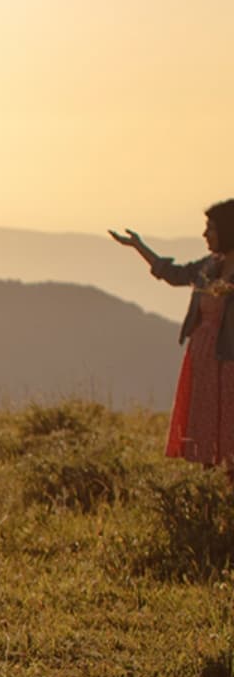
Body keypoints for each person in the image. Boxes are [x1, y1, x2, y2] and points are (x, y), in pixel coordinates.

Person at [111, 199, 234, 477]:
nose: (205, 235)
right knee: (207, 430)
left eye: (211, 229)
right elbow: (174, 274)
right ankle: (211, 494)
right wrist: (139, 247)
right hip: (204, 358)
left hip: (229, 360)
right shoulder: (209, 266)